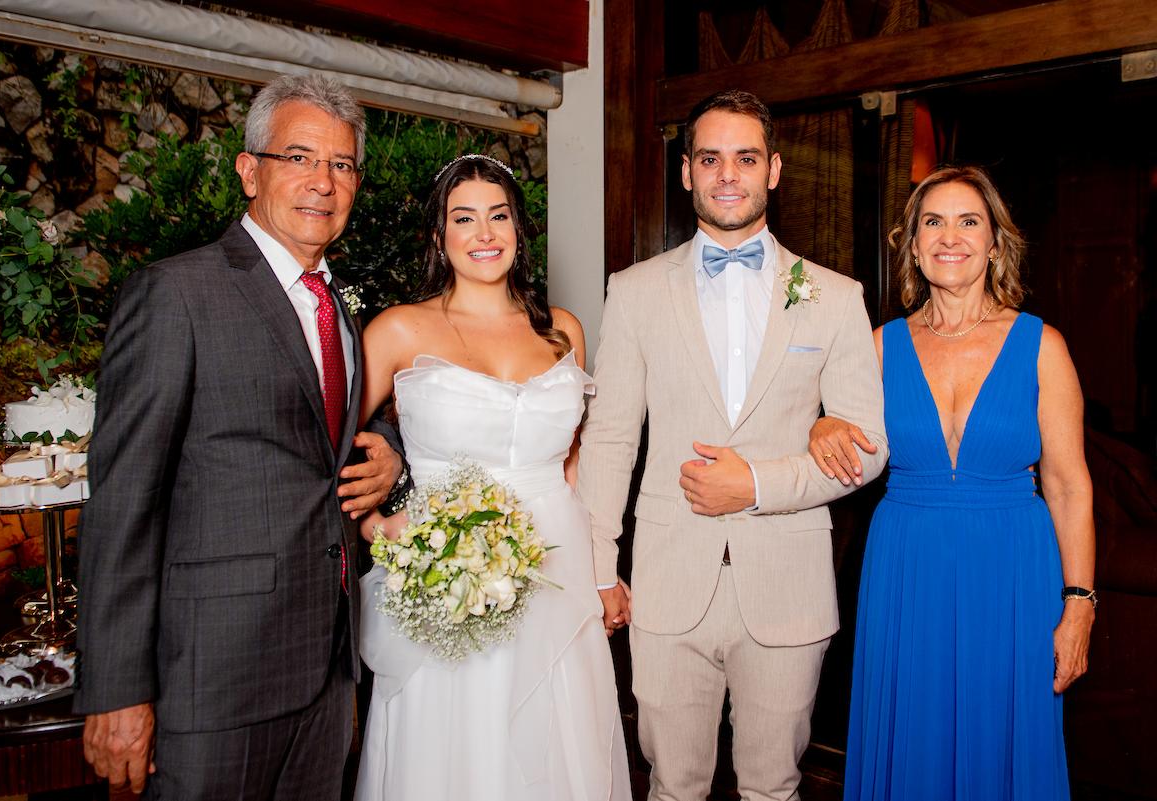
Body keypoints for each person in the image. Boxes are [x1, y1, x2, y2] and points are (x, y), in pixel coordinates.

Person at [74, 74, 405, 799]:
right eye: (299, 157)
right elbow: (124, 501)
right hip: (212, 681)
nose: (322, 181)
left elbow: (333, 436)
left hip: (325, 671)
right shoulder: (177, 294)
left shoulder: (340, 308)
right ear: (249, 170)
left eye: (342, 165)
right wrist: (116, 688)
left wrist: (389, 455)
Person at [577, 89, 888, 801]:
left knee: (773, 788)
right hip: (665, 586)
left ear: (773, 170)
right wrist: (599, 567)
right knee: (670, 784)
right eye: (710, 158)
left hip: (788, 589)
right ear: (685, 172)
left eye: (745, 158)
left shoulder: (835, 297)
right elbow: (611, 438)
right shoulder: (633, 291)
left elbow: (867, 448)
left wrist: (758, 484)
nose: (727, 174)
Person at [809, 165, 1095, 801]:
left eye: (970, 221)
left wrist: (1078, 605)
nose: (950, 236)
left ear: (996, 241)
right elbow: (828, 429)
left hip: (1014, 574)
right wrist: (820, 425)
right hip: (907, 569)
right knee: (911, 734)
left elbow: (1070, 485)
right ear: (912, 243)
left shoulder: (1042, 345)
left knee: (1006, 735)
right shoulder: (878, 347)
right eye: (932, 221)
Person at [353, 154, 631, 800]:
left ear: (518, 230)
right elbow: (321, 440)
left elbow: (574, 461)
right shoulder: (399, 328)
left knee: (560, 750)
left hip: (555, 573)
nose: (484, 233)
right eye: (464, 218)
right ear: (439, 237)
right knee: (457, 753)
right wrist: (375, 523)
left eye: (499, 216)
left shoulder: (563, 332)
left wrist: (600, 569)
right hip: (448, 578)